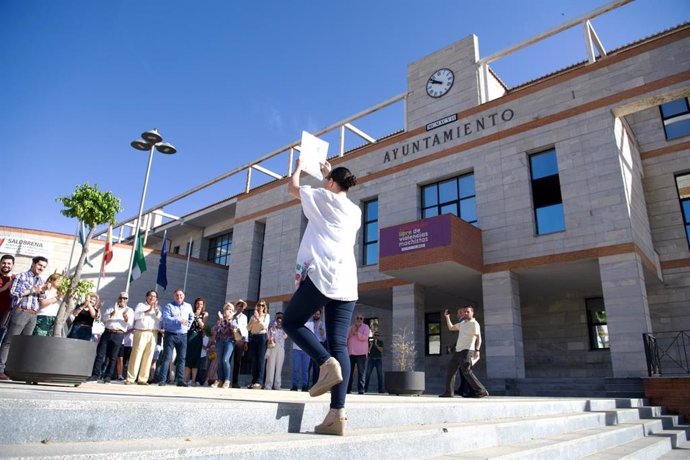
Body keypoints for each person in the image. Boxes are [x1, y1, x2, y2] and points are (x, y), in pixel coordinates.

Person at [282, 158, 361, 436]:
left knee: (291, 322)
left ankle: (325, 363)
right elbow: (334, 193)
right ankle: (336, 415)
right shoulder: (355, 211)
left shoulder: (319, 196)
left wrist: (299, 168)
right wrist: (329, 176)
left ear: (329, 183)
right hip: (347, 280)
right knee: (339, 343)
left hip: (322, 275)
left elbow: (292, 188)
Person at [0, 255, 48, 380]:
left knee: (25, 343)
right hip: (21, 311)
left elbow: (41, 300)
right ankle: (1, 369)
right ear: (33, 264)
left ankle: (17, 370)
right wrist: (33, 290)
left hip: (33, 314)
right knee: (10, 341)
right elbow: (14, 293)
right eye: (39, 265)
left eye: (43, 267)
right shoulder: (22, 276)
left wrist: (43, 292)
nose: (41, 268)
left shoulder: (41, 281)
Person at [439, 306, 489, 398]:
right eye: (464, 312)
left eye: (468, 312)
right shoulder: (462, 323)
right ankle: (449, 393)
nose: (466, 313)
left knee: (466, 371)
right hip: (458, 351)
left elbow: (479, 338)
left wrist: (477, 350)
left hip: (467, 350)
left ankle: (481, 391)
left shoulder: (474, 323)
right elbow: (451, 328)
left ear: (472, 313)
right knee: (451, 371)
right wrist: (447, 317)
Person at [88, 292, 133, 383]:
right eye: (121, 298)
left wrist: (125, 317)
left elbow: (130, 324)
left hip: (119, 334)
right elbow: (104, 319)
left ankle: (108, 376)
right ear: (118, 298)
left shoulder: (129, 310)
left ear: (127, 300)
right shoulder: (111, 307)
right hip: (107, 332)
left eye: (125, 298)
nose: (122, 300)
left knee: (113, 356)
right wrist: (111, 314)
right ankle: (95, 375)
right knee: (100, 354)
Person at [158, 288, 194, 387]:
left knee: (182, 358)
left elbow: (192, 316)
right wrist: (177, 320)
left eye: (181, 295)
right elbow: (165, 317)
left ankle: (180, 380)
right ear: (174, 296)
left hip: (183, 335)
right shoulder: (169, 306)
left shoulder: (188, 306)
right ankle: (162, 380)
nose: (179, 297)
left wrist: (188, 326)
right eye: (177, 295)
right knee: (167, 358)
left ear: (184, 296)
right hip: (170, 334)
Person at [125, 290, 161, 385]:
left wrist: (156, 309)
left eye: (154, 297)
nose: (152, 298)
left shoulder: (158, 308)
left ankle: (143, 379)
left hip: (153, 333)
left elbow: (161, 318)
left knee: (148, 357)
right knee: (136, 355)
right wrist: (149, 310)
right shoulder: (141, 305)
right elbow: (136, 316)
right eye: (150, 296)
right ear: (146, 297)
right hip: (141, 332)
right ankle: (130, 378)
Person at [210, 302, 237, 389]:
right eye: (226, 309)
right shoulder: (220, 320)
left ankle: (227, 380)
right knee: (219, 360)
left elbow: (234, 328)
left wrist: (229, 321)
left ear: (232, 311)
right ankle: (220, 379)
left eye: (229, 309)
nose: (227, 311)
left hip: (230, 341)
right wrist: (220, 322)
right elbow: (214, 329)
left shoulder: (233, 320)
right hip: (220, 341)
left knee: (225, 360)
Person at [184, 297, 208, 386]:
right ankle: (185, 379)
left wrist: (197, 317)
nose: (199, 306)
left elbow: (203, 326)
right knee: (188, 357)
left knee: (196, 358)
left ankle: (193, 380)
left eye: (201, 304)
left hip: (198, 336)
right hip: (189, 335)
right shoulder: (191, 313)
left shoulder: (205, 314)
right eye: (198, 303)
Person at [247, 300, 270, 389]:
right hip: (254, 337)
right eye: (259, 305)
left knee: (261, 360)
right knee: (254, 360)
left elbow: (265, 326)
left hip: (262, 337)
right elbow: (248, 328)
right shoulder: (252, 316)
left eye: (262, 306)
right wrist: (253, 320)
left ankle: (259, 382)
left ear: (264, 307)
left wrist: (258, 319)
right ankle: (254, 381)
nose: (261, 307)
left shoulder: (266, 316)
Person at [346, 314, 370, 395]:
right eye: (357, 318)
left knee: (361, 372)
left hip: (361, 353)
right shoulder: (350, 327)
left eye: (361, 318)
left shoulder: (366, 327)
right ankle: (348, 389)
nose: (359, 319)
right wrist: (351, 333)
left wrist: (357, 333)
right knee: (349, 372)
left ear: (363, 319)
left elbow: (365, 337)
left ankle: (361, 390)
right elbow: (346, 336)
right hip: (351, 352)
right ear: (355, 319)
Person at [265, 312, 286, 390]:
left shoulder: (284, 328)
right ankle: (268, 384)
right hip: (272, 347)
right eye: (278, 317)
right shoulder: (271, 327)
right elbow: (268, 336)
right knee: (270, 367)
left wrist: (282, 327)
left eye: (281, 318)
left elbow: (285, 336)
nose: (279, 319)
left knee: (279, 367)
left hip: (281, 348)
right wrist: (274, 328)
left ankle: (277, 385)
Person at [231, 299, 248, 388]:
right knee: (228, 359)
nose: (240, 307)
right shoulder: (232, 315)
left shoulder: (244, 317)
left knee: (237, 361)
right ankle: (226, 379)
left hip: (240, 340)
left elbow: (246, 329)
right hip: (231, 339)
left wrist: (246, 342)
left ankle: (235, 381)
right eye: (239, 305)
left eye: (242, 306)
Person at [308, 309, 328, 387]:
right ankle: (306, 384)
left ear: (320, 315)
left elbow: (324, 338)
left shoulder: (322, 324)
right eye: (315, 314)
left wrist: (322, 332)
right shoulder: (310, 323)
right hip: (310, 344)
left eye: (318, 314)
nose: (316, 316)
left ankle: (315, 384)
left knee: (317, 367)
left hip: (319, 344)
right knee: (308, 365)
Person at [0, 254, 16, 347]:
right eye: (4, 263)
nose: (6, 265)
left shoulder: (16, 278)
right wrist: (5, 287)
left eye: (9, 263)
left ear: (13, 265)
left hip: (8, 313)